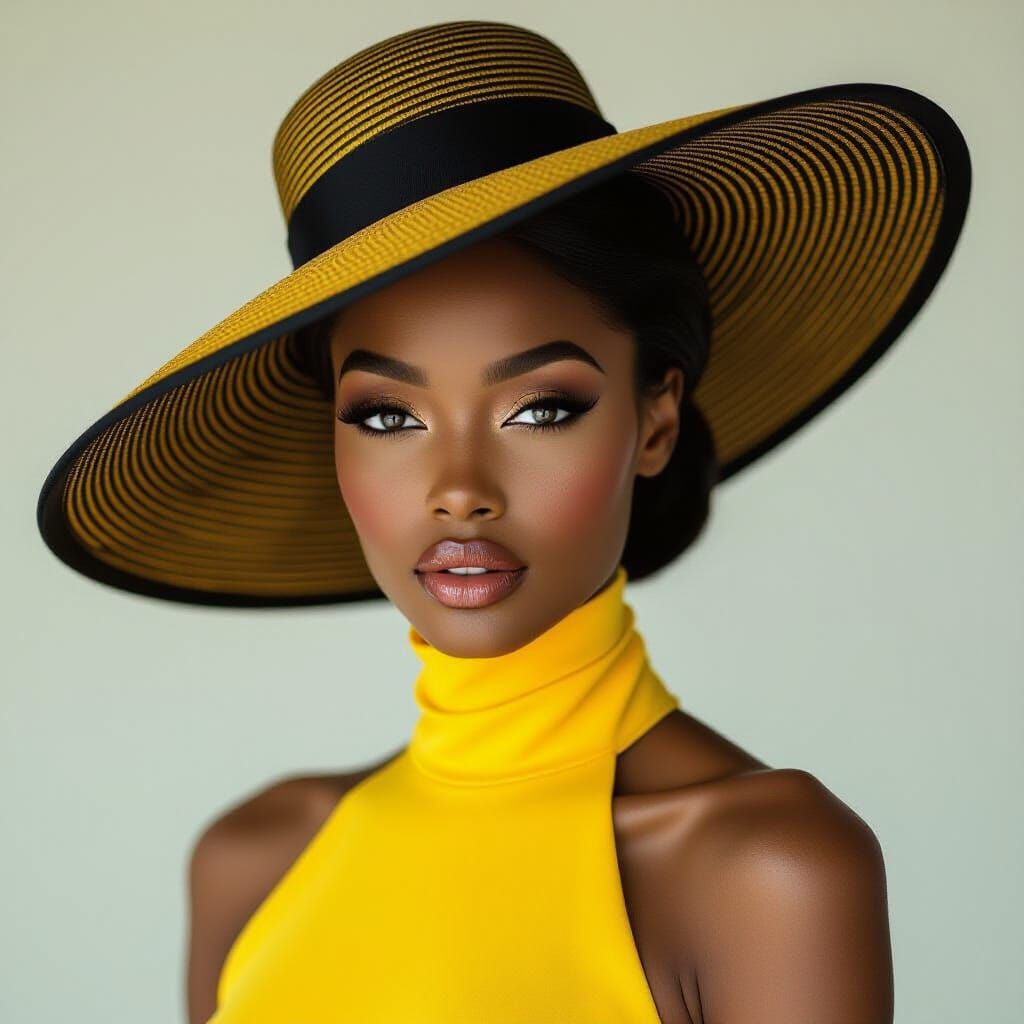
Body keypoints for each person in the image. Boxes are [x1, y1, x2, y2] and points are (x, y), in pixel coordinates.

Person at [35, 18, 971, 1024]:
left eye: (539, 407)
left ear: (654, 419)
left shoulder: (766, 866)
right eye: (388, 415)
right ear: (335, 441)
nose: (458, 487)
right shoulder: (254, 858)